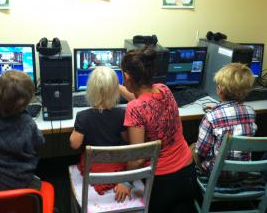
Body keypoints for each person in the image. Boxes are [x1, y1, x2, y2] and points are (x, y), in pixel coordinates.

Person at [116, 47, 198, 212]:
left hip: (163, 182)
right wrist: (117, 86)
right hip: (188, 173)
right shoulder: (163, 89)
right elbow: (143, 99)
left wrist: (126, 181)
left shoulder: (134, 109)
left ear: (127, 77)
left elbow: (139, 158)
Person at [70, 66, 128, 195]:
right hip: (116, 163)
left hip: (94, 165)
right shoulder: (121, 114)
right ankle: (116, 180)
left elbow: (75, 145)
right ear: (116, 91)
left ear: (90, 90)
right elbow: (126, 139)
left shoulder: (83, 116)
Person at [194, 63, 257, 175]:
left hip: (218, 174)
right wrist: (220, 108)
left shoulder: (211, 117)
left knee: (192, 148)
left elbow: (201, 152)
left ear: (219, 90)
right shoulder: (251, 112)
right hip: (243, 172)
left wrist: (217, 111)